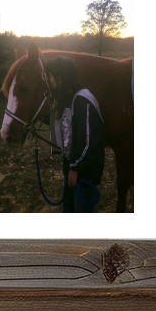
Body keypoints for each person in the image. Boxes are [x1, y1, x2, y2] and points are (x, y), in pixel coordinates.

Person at [46, 56, 105, 213]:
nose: (49, 82)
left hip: (85, 175)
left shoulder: (82, 101)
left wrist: (75, 169)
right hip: (73, 170)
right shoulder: (69, 99)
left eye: (50, 77)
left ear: (60, 79)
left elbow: (88, 142)